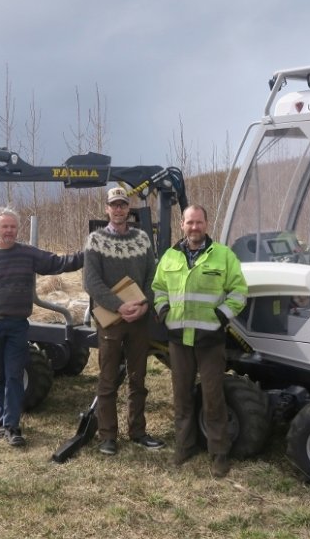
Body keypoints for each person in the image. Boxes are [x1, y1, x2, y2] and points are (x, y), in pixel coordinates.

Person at [0, 206, 84, 447]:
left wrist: (88, 254)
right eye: (4, 227)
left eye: (12, 226)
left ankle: (12, 425)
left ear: (17, 229)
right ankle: (2, 422)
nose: (9, 231)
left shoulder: (28, 254)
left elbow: (59, 263)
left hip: (17, 326)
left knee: (14, 375)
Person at [152, 205, 247, 477]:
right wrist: (163, 312)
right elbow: (159, 288)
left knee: (213, 397)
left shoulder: (223, 256)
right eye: (189, 222)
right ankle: (184, 446)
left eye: (199, 222)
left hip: (210, 340)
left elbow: (239, 292)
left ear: (206, 224)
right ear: (182, 224)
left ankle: (219, 453)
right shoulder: (169, 257)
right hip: (179, 339)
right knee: (181, 396)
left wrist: (221, 315)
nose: (194, 227)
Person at [84, 186, 165, 456]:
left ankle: (138, 431)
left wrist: (144, 305)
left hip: (139, 320)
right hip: (111, 321)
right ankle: (108, 436)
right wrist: (120, 305)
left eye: (122, 204)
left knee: (138, 378)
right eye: (113, 205)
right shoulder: (95, 240)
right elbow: (91, 282)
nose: (118, 209)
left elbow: (153, 277)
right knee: (107, 379)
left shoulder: (142, 239)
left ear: (128, 208)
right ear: (106, 208)